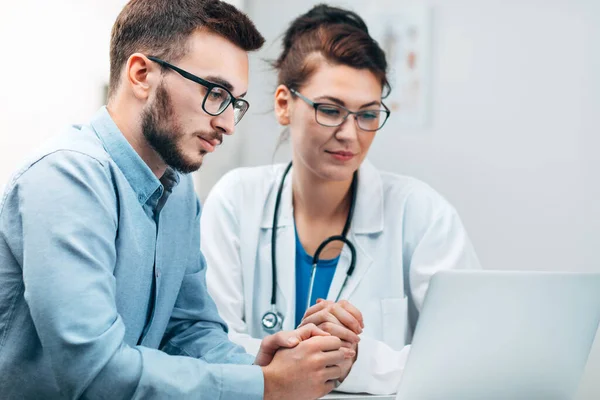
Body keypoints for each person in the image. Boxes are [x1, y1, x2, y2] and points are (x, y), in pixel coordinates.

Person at [0, 1, 354, 399]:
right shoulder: (65, 179)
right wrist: (265, 386)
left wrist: (262, 363)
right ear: (141, 75)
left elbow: (187, 330)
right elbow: (96, 373)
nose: (227, 124)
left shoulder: (178, 187)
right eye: (215, 93)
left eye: (235, 102)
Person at [201, 4, 481, 395]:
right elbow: (207, 343)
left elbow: (471, 356)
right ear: (284, 104)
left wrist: (358, 360)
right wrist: (294, 360)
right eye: (330, 110)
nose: (350, 134)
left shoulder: (423, 214)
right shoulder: (235, 201)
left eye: (367, 114)